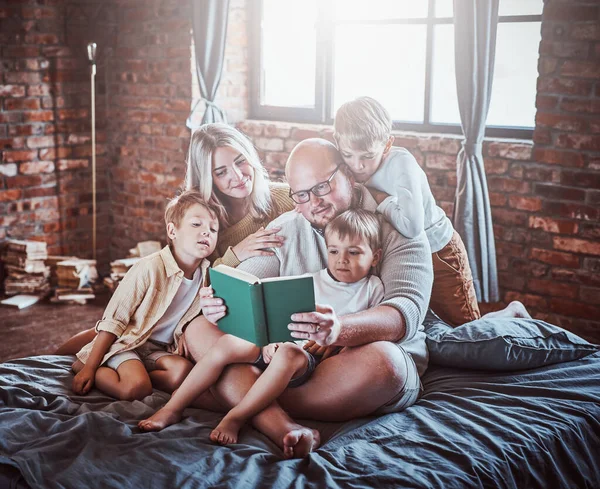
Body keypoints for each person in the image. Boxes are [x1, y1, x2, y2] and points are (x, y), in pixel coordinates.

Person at [187, 139, 434, 456]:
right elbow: (248, 278)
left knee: (386, 365)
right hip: (288, 360)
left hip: (349, 367)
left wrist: (338, 330)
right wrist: (217, 300)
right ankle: (283, 426)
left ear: (347, 173)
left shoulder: (398, 224)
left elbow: (405, 312)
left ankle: (234, 393)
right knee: (198, 330)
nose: (313, 203)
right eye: (301, 195)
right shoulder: (289, 226)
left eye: (321, 187)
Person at [138, 208, 384, 449]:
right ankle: (172, 408)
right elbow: (284, 319)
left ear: (375, 257)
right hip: (275, 345)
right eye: (333, 250)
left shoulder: (373, 288)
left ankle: (236, 416)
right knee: (227, 344)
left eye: (353, 252)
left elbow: (368, 331)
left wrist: (341, 341)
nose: (342, 259)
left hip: (307, 358)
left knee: (289, 353)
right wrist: (269, 342)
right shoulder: (312, 280)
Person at [55, 123, 295, 355]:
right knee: (129, 330)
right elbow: (201, 279)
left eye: (240, 161)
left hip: (240, 310)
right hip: (188, 303)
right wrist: (236, 254)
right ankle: (47, 362)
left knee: (139, 339)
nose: (237, 176)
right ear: (207, 178)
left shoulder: (284, 198)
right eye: (221, 172)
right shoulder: (204, 216)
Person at [333, 96, 481, 327]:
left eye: (368, 156)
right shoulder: (343, 158)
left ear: (388, 144)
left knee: (467, 326)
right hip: (398, 257)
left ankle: (512, 314)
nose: (357, 165)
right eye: (348, 155)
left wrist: (380, 198)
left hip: (439, 251)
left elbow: (412, 226)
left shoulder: (402, 164)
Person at [71, 191, 218, 400]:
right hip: (127, 342)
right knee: (136, 388)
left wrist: (185, 331)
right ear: (172, 230)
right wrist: (90, 368)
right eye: (196, 225)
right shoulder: (149, 268)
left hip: (157, 349)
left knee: (182, 373)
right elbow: (114, 321)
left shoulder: (206, 275)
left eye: (213, 229)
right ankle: (86, 364)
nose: (207, 233)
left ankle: (135, 371)